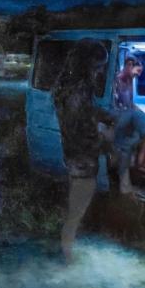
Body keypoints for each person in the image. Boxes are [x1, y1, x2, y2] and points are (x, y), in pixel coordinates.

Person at [52, 39, 115, 262]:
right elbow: (81, 133)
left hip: (75, 157)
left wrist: (104, 116)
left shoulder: (69, 88)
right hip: (82, 160)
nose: (100, 73)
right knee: (76, 210)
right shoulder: (77, 92)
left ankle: (67, 251)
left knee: (76, 207)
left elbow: (84, 113)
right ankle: (67, 257)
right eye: (98, 68)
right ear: (86, 65)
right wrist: (106, 141)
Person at [111, 51, 145, 194]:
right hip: (117, 119)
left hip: (127, 117)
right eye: (137, 71)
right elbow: (114, 106)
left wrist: (141, 112)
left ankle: (138, 163)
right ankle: (140, 161)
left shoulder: (130, 82)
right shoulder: (115, 82)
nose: (138, 75)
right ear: (129, 65)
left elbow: (130, 104)